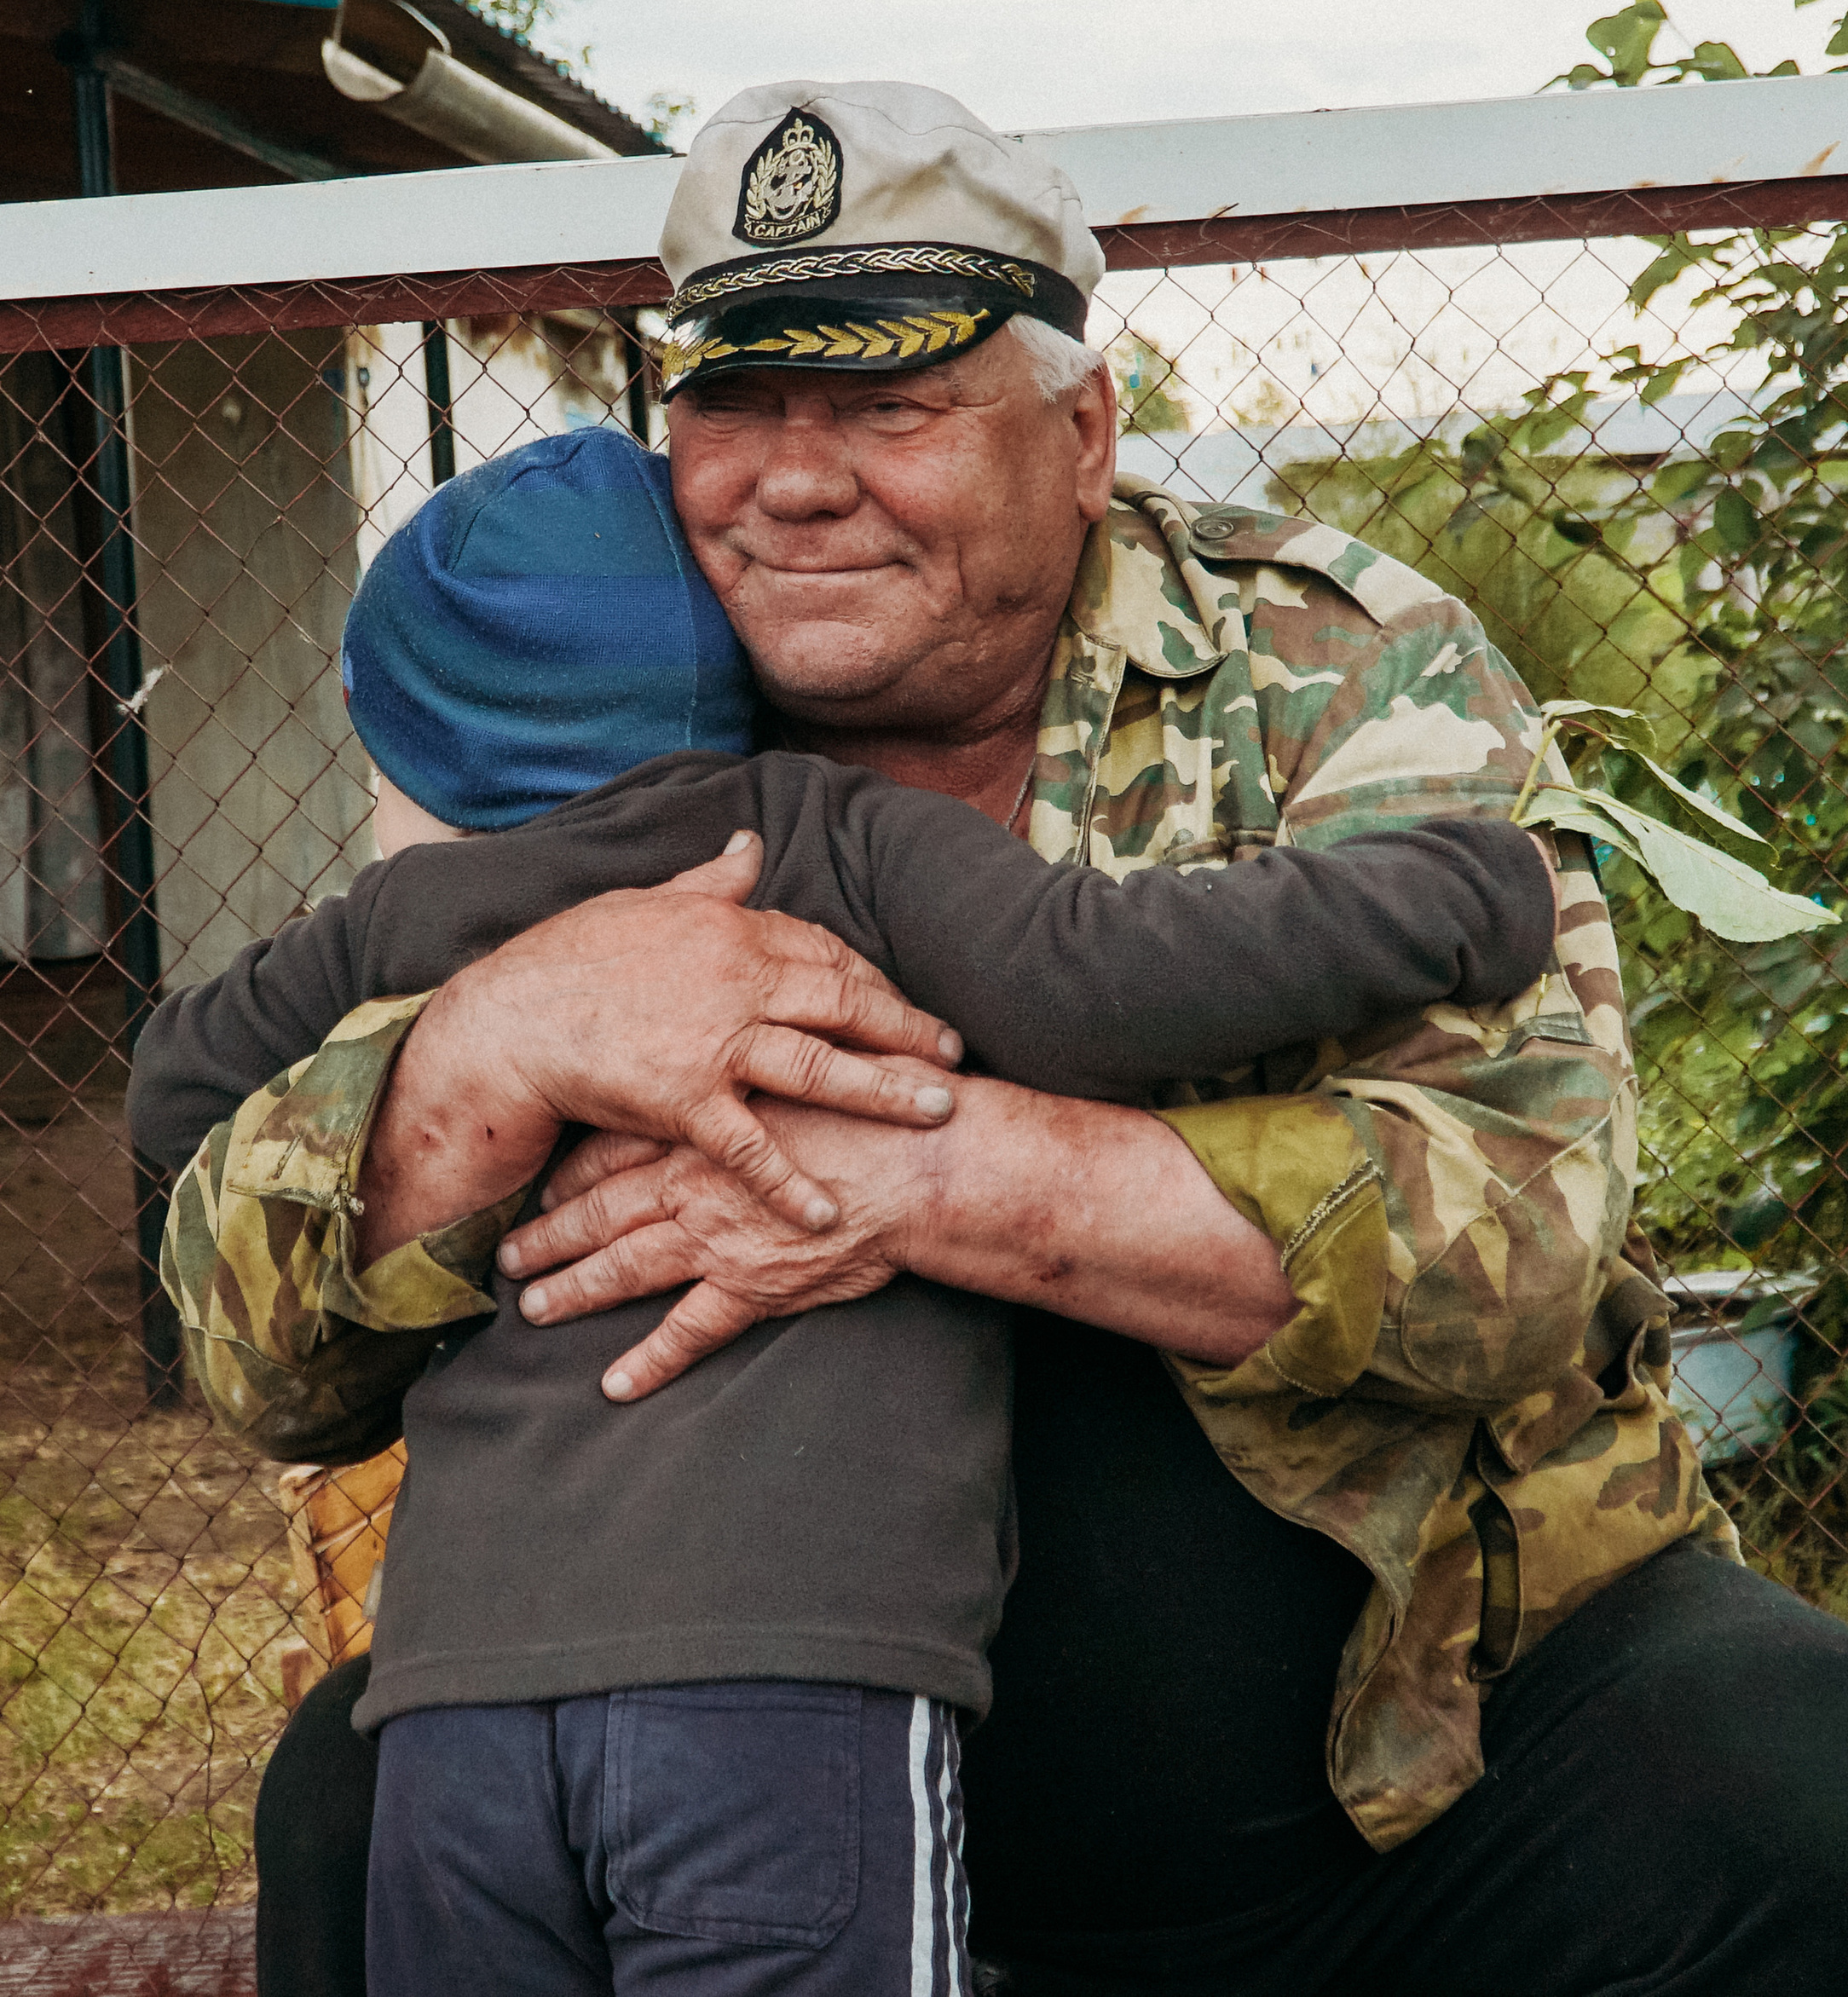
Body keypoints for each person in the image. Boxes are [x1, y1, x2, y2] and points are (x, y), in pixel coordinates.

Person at [161, 83, 1848, 1996]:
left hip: (1421, 1741)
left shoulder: (1318, 662)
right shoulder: (592, 689)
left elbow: (1516, 1243)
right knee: (351, 1798)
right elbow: (259, 1356)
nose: (793, 483)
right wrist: (489, 1050)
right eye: (734, 402)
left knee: (1794, 1778)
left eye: (889, 406)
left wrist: (920, 1177)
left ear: (1083, 429)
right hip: (772, 1744)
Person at [132, 422, 1556, 1997]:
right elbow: (1106, 984)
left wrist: (438, 1046)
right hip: (782, 1696)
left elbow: (176, 1095)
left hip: (459, 1706)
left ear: (400, 752)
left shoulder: (405, 926)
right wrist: (1453, 897)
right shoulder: (827, 834)